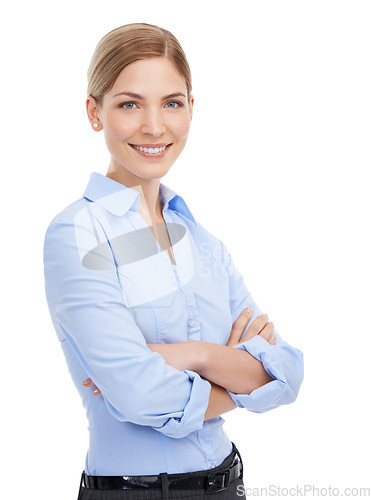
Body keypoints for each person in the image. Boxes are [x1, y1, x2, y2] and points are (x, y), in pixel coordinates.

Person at [43, 22, 304, 500]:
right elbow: (140, 395)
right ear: (94, 112)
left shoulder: (200, 239)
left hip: (228, 483)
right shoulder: (77, 234)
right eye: (129, 104)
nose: (154, 126)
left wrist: (194, 355)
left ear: (190, 109)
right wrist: (238, 371)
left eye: (172, 103)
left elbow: (286, 373)